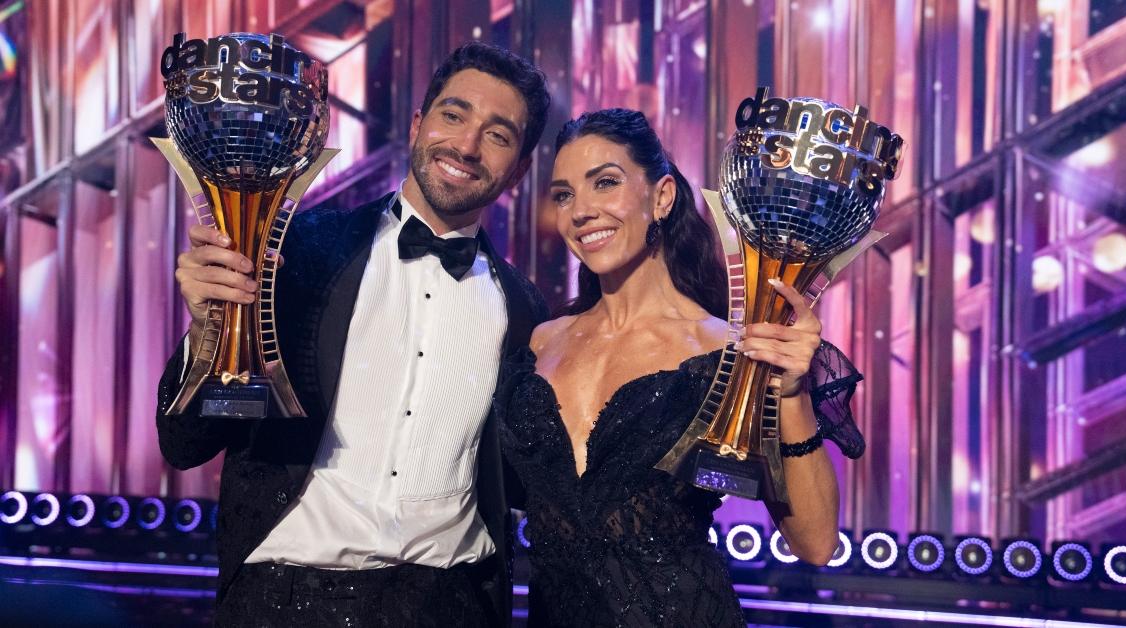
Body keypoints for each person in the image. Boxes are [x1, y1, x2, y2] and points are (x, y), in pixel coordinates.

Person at [156, 42, 550, 627]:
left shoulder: (523, 308)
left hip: (451, 607)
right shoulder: (296, 252)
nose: (466, 145)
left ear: (518, 168)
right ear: (418, 125)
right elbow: (185, 446)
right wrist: (209, 326)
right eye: (453, 115)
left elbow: (523, 482)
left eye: (497, 134)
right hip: (284, 603)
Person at [496, 108, 865, 627]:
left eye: (605, 183)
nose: (581, 210)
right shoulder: (539, 343)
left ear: (662, 196)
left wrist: (792, 394)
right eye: (564, 194)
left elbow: (816, 542)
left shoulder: (729, 352)